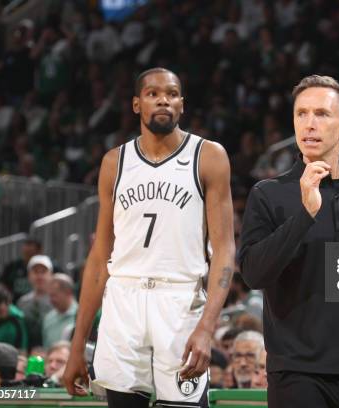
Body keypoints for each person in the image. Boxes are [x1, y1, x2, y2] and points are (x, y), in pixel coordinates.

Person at [63, 67, 235, 408]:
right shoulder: (114, 162)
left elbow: (225, 250)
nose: (163, 100)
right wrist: (77, 345)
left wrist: (206, 328)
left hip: (179, 300)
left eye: (171, 94)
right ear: (136, 104)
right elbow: (99, 258)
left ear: (182, 105)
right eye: (153, 93)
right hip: (123, 301)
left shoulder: (209, 156)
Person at [239, 75, 339, 408]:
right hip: (296, 375)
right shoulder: (268, 194)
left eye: (321, 114)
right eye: (301, 114)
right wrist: (305, 214)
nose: (309, 124)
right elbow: (253, 274)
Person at [16, 255, 53, 349]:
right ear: (29, 275)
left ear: (51, 275)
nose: (39, 276)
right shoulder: (22, 302)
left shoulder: (57, 301)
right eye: (36, 272)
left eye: (43, 272)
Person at [0, 238, 42, 303]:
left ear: (39, 252)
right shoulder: (13, 266)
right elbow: (0, 283)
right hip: (15, 305)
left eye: (30, 253)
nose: (28, 256)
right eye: (25, 253)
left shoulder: (48, 267)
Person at [42, 274, 77, 348]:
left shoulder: (82, 317)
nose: (51, 300)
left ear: (68, 293)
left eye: (54, 295)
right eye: (49, 295)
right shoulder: (48, 318)